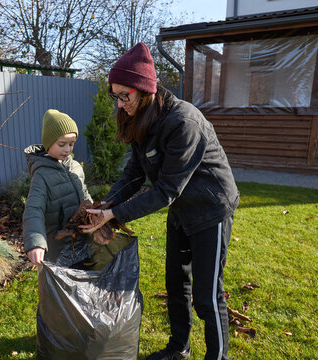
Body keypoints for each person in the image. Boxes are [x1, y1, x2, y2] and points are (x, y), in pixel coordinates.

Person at [80, 43, 240, 360]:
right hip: (182, 210)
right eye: (115, 95)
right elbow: (135, 173)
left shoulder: (184, 123)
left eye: (125, 95)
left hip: (210, 209)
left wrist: (113, 214)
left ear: (145, 90)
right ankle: (179, 347)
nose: (120, 103)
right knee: (176, 283)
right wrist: (105, 206)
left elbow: (166, 190)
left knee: (206, 295)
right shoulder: (141, 118)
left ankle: (217, 356)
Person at [23, 109, 92, 265]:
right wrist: (36, 242)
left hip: (81, 238)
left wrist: (95, 215)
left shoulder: (75, 167)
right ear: (48, 144)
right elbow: (34, 209)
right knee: (64, 286)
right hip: (58, 246)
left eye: (71, 144)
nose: (67, 149)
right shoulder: (41, 175)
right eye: (62, 144)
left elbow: (84, 192)